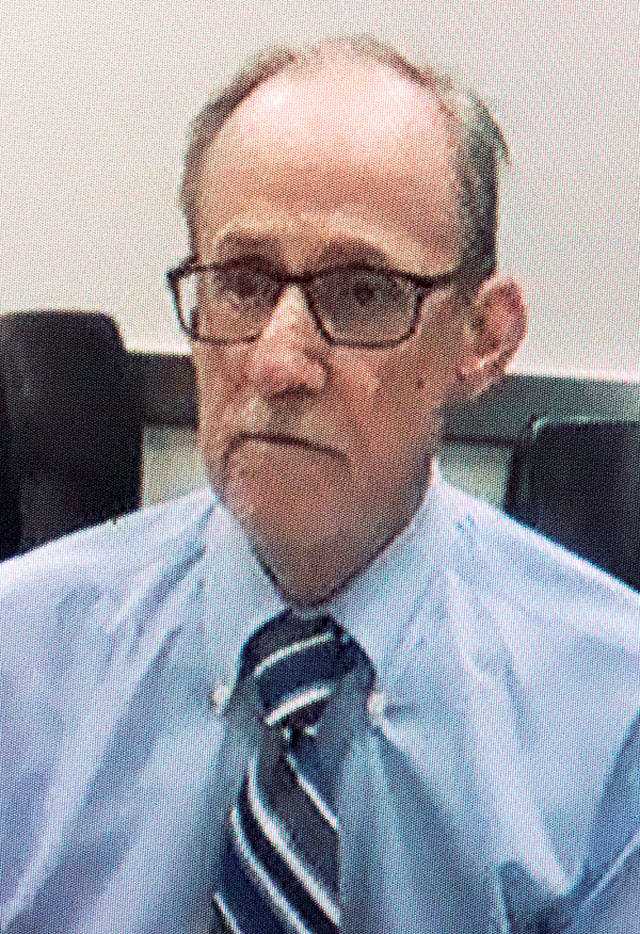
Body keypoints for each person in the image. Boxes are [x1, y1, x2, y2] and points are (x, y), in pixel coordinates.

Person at [1, 35, 639, 934]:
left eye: (364, 292)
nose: (278, 361)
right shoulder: (20, 657)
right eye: (241, 283)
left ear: (482, 339)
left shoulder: (616, 710)